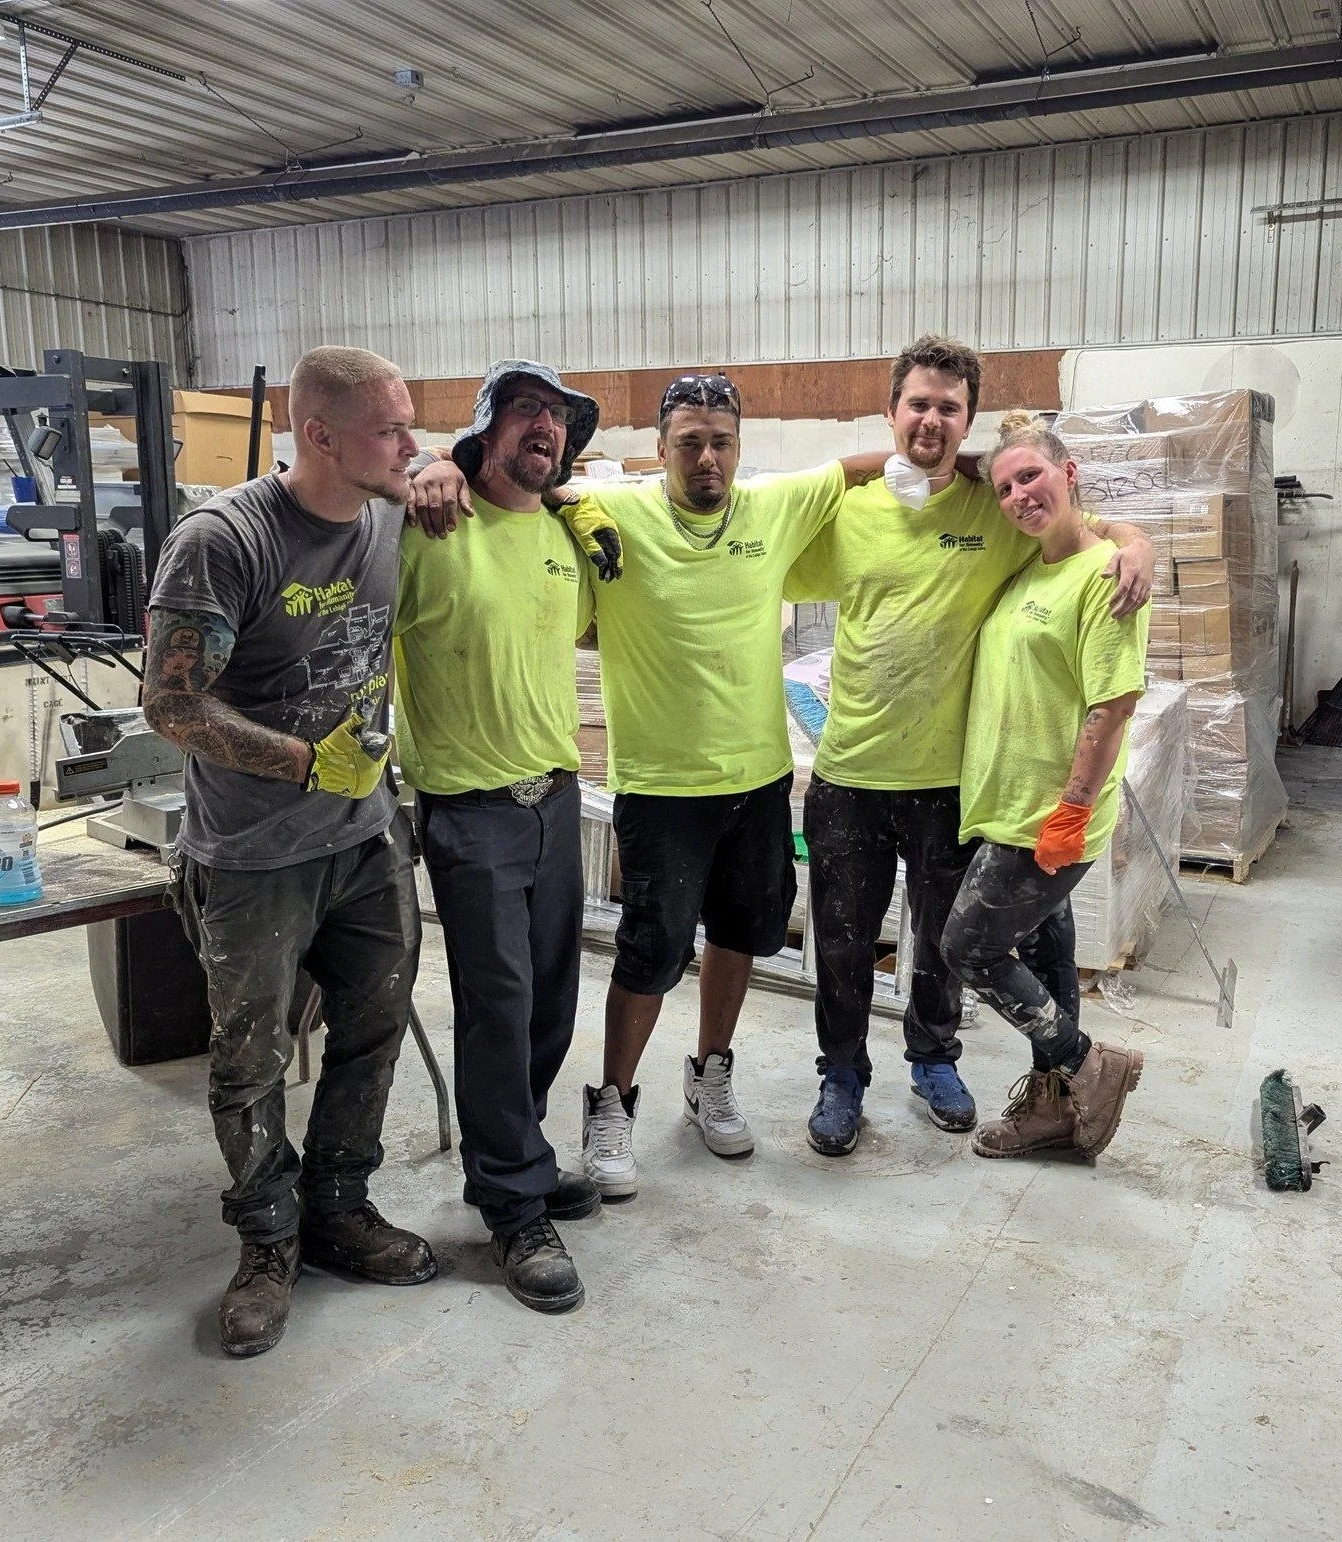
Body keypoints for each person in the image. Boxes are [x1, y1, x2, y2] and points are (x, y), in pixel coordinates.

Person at [410, 376, 887, 1197]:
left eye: (722, 442)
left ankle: (710, 1077)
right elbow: (515, 478)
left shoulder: (772, 505)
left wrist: (984, 461)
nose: (708, 457)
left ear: (741, 447)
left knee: (743, 935)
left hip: (760, 778)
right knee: (649, 953)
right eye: (690, 442)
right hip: (661, 786)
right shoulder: (613, 512)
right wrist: (429, 463)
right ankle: (614, 1102)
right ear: (661, 449)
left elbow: (859, 467)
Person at [783, 337, 1154, 1156]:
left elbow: (1078, 524)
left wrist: (1139, 543)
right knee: (842, 942)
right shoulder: (851, 511)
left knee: (943, 943)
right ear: (892, 412)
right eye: (917, 403)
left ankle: (933, 1059)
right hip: (850, 772)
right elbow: (765, 561)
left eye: (949, 407)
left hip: (951, 784)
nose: (931, 419)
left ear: (968, 421)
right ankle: (841, 1075)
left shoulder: (994, 507)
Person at [144, 345, 435, 1359]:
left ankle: (341, 1207)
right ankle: (268, 1243)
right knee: (251, 1057)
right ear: (319, 436)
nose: (410, 444)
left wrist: (436, 468)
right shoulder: (223, 541)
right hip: (253, 853)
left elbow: (487, 466)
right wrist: (307, 763)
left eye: (412, 426)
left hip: (364, 842)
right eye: (391, 429)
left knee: (374, 1022)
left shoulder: (395, 508)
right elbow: (171, 704)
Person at [393, 360, 606, 1314]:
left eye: (557, 418)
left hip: (553, 797)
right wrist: (424, 465)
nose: (545, 428)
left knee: (553, 998)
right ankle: (514, 1205)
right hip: (469, 809)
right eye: (527, 410)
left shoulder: (562, 536)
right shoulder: (427, 524)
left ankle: (518, 1154)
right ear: (486, 430)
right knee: (499, 1002)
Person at [940, 410, 1149, 1159]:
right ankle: (1052, 1111)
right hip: (1008, 806)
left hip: (1047, 818)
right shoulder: (1034, 566)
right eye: (1003, 487)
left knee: (967, 948)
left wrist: (1072, 810)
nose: (1019, 495)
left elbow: (1113, 703)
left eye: (1030, 475)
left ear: (1069, 475)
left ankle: (1088, 1066)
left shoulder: (1104, 578)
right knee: (1047, 951)